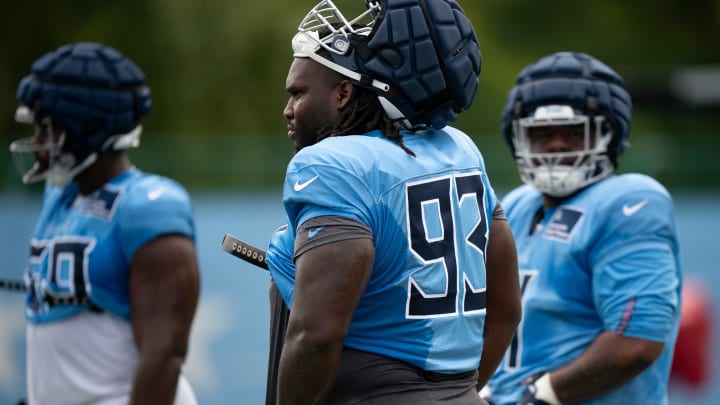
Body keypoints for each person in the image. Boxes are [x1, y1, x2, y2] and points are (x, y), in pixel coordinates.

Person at [263, 0, 521, 404]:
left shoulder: (333, 164)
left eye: (298, 93)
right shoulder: (459, 150)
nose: (288, 110)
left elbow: (317, 337)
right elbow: (506, 309)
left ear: (345, 92)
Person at [482, 51, 683, 404]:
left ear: (608, 135)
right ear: (519, 139)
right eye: (542, 134)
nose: (557, 144)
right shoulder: (514, 204)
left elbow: (637, 340)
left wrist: (542, 395)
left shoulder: (629, 202)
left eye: (574, 133)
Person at [9, 42, 201, 405]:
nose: (36, 142)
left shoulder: (148, 206)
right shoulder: (61, 198)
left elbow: (165, 355)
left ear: (83, 128)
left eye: (44, 129)